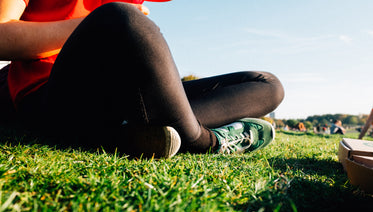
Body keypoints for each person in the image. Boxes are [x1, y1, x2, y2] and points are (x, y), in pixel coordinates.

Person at [0, 0, 284, 158]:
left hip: (122, 97)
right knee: (119, 17)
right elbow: (2, 35)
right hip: (51, 95)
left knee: (267, 84)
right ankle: (204, 141)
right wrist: (84, 26)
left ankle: (137, 131)